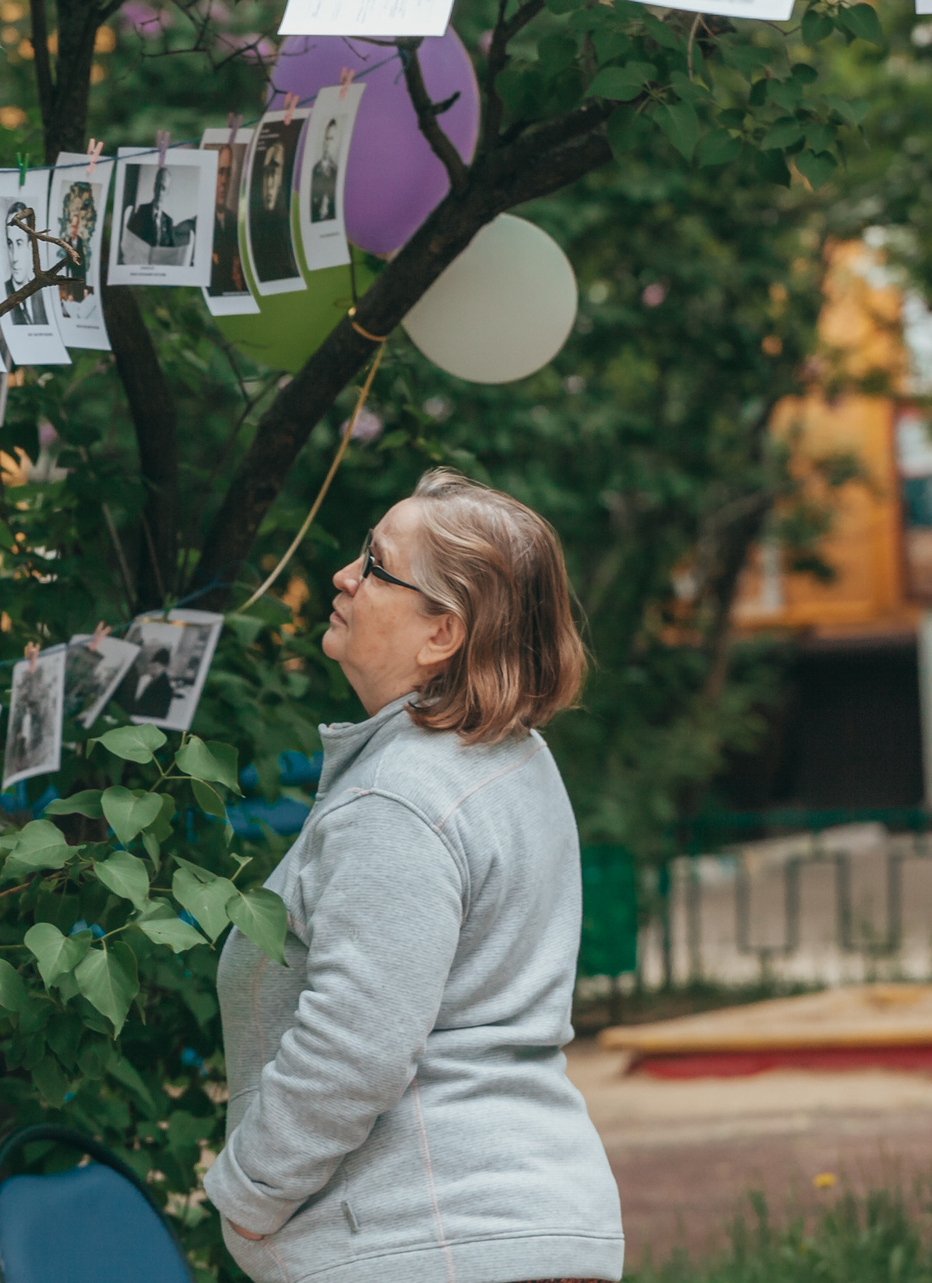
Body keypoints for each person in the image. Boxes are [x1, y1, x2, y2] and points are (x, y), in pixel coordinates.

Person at [205, 468, 622, 1283]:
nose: (345, 576)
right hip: (523, 1226)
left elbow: (353, 1047)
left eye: (376, 564)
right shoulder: (512, 762)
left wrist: (245, 1195)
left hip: (430, 1240)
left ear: (442, 634)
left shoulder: (400, 794)